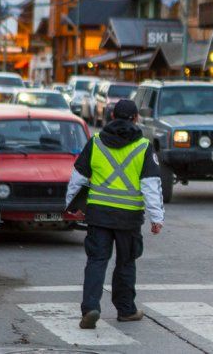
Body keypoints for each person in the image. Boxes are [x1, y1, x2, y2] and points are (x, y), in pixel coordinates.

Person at [66, 99, 164, 330]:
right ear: (135, 118)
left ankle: (90, 308)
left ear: (111, 117)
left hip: (99, 215)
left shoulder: (96, 142)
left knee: (97, 261)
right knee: (126, 263)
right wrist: (157, 218)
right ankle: (126, 310)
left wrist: (71, 204)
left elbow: (78, 177)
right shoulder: (143, 146)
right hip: (128, 218)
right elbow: (151, 185)